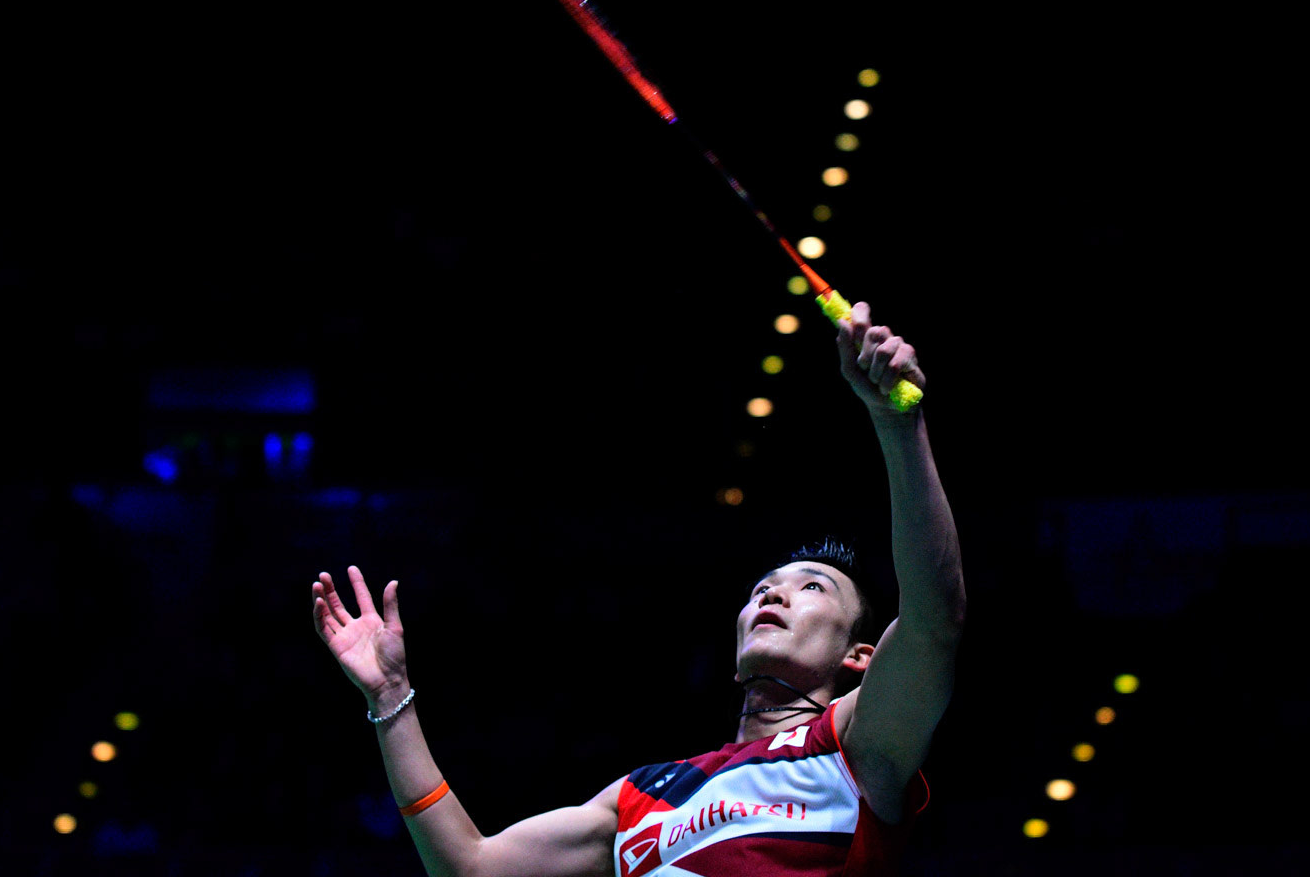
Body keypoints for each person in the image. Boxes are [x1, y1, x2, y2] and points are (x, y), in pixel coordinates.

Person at [311, 302, 965, 876]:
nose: (772, 595)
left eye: (812, 587)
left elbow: (936, 615)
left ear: (860, 657)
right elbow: (470, 867)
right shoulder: (641, 799)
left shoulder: (856, 745)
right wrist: (392, 699)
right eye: (762, 587)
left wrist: (896, 424)